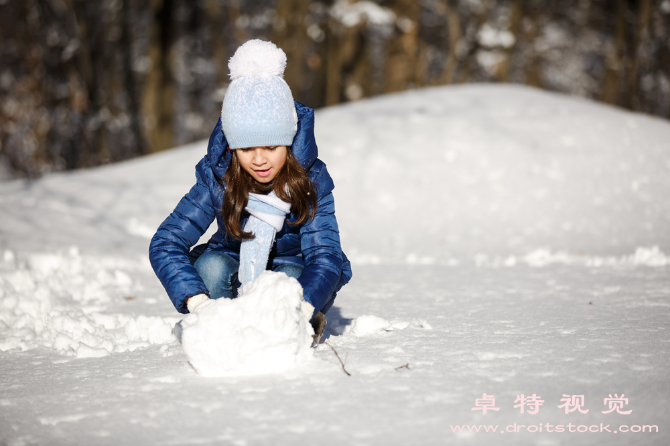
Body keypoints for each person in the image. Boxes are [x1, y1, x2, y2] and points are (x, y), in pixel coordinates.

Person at [149, 40, 352, 342]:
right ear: (232, 146)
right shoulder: (219, 176)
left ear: (288, 140)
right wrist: (198, 301)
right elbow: (166, 241)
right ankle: (220, 331)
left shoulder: (311, 180)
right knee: (212, 266)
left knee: (290, 282)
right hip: (232, 270)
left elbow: (325, 256)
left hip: (293, 271)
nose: (259, 160)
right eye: (246, 148)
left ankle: (290, 329)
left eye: (271, 146)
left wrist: (303, 305)